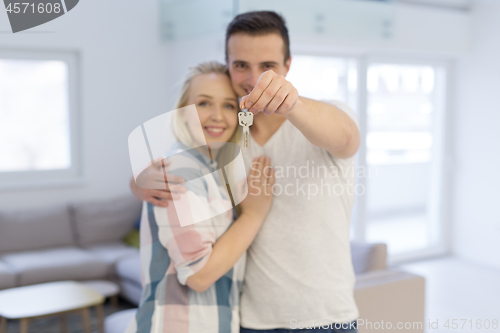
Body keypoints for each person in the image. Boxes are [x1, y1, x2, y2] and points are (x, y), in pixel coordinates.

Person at [131, 11, 361, 333]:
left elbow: (347, 137)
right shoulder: (228, 138)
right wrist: (139, 181)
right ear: (228, 65)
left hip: (324, 319)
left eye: (267, 66)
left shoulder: (323, 117)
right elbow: (182, 165)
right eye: (241, 65)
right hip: (250, 319)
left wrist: (291, 103)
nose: (254, 79)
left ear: (287, 66)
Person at [125, 61, 275, 333]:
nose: (217, 116)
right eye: (204, 103)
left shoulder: (214, 171)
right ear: (183, 113)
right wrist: (255, 215)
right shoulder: (180, 171)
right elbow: (198, 275)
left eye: (229, 105)